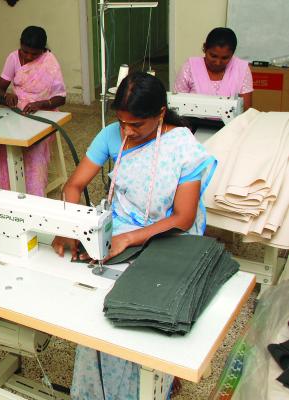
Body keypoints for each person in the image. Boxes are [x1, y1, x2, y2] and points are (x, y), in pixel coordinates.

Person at [53, 72, 216, 399]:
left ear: (159, 114)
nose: (126, 132)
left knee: (137, 319)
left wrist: (128, 239)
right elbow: (73, 186)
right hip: (122, 231)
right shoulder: (112, 135)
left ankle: (153, 383)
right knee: (96, 315)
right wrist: (71, 226)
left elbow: (183, 218)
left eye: (136, 125)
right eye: (121, 122)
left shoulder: (183, 147)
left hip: (169, 239)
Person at [0, 25, 67, 197]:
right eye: (25, 51)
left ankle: (32, 198)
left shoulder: (49, 62)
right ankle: (0, 195)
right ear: (20, 45)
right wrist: (6, 97)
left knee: (33, 150)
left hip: (43, 114)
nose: (28, 56)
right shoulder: (13, 58)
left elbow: (61, 97)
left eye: (34, 54)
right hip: (17, 113)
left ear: (42, 51)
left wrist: (41, 104)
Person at [174, 27, 253, 111]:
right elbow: (177, 105)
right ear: (205, 48)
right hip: (193, 122)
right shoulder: (189, 68)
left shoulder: (241, 69)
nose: (218, 63)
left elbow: (246, 110)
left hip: (232, 123)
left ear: (232, 54)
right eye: (213, 56)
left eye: (225, 58)